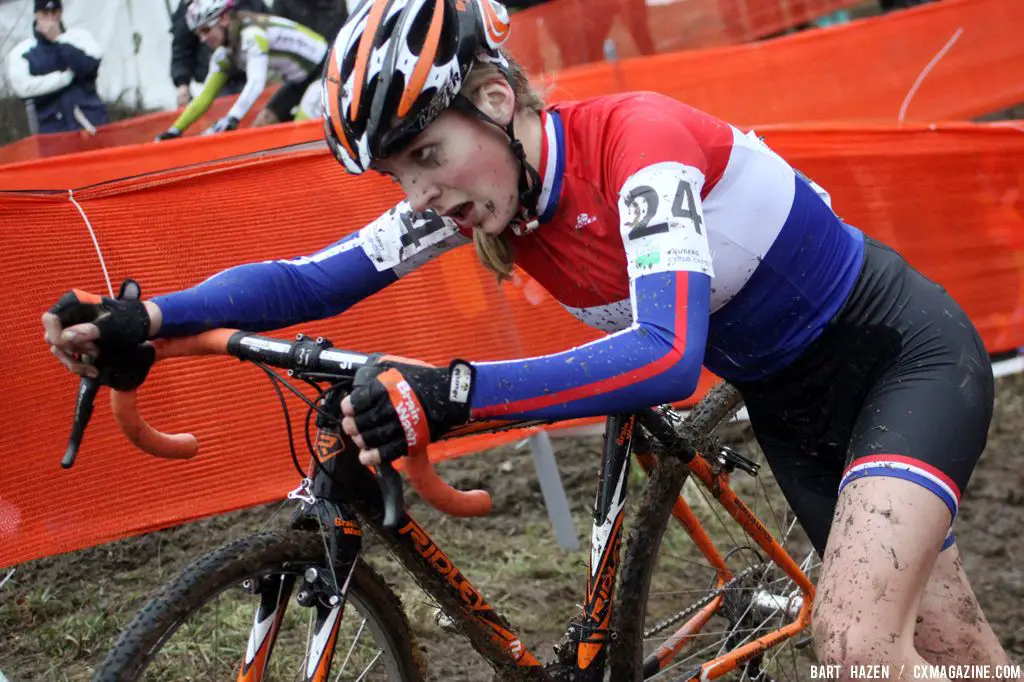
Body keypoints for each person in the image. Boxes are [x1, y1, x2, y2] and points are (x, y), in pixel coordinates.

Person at [43, 0, 1020, 678]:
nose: (420, 194)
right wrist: (150, 317)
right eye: (397, 174)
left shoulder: (637, 143)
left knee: (851, 648)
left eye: (426, 154)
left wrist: (451, 389)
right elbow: (310, 280)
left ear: (497, 103)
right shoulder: (474, 195)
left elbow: (666, 356)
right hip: (790, 406)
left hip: (896, 358)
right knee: (954, 649)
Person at [156, 0, 328, 140]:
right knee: (260, 128)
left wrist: (232, 118)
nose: (203, 38)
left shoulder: (252, 35)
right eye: (198, 34)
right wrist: (175, 130)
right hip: (297, 79)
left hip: (323, 70)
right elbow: (205, 96)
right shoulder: (223, 54)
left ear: (223, 19)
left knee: (301, 133)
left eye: (206, 29)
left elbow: (255, 82)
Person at [5, 0, 108, 134]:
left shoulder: (80, 37)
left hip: (92, 122)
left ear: (60, 13)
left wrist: (59, 39)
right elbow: (24, 88)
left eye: (54, 12)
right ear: (36, 15)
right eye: (45, 13)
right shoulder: (22, 52)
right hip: (53, 129)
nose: (50, 18)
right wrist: (64, 78)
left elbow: (89, 65)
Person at [169, 0, 267, 109]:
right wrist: (182, 83)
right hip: (219, 79)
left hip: (257, 68)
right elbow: (181, 46)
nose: (203, 38)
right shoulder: (189, 7)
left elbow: (265, 22)